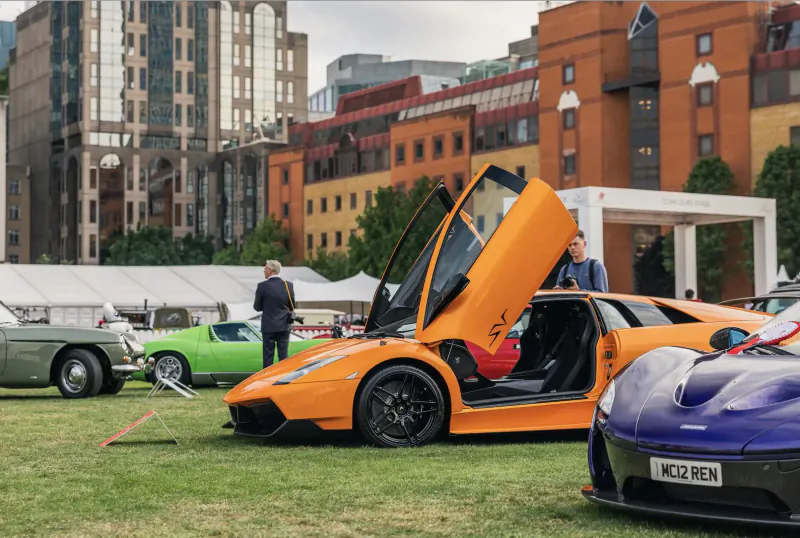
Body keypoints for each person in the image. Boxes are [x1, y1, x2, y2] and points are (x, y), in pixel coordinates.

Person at [253, 260, 296, 369]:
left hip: (268, 325)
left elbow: (257, 307)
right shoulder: (288, 285)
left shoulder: (262, 286)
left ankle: (267, 379)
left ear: (270, 270)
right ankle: (283, 378)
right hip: (284, 324)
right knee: (283, 355)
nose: (264, 270)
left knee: (268, 356)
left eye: (265, 268)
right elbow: (292, 305)